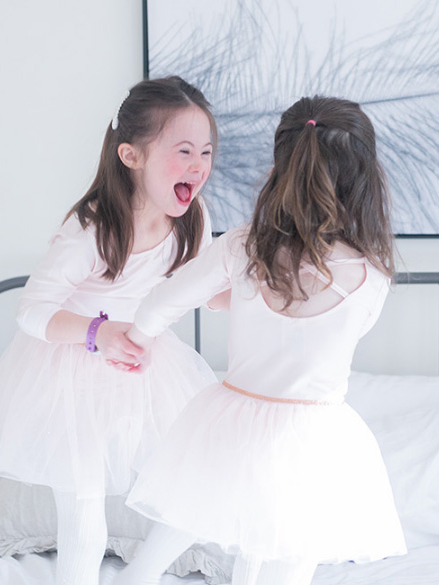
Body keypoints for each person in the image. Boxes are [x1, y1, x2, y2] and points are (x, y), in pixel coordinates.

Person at [113, 96, 407, 585]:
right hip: (313, 436)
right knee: (290, 551)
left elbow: (161, 302)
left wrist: (137, 339)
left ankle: (134, 577)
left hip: (233, 418)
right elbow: (315, 328)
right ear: (364, 178)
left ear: (281, 168)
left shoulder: (244, 247)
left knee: (185, 516)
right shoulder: (372, 277)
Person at [0, 75, 220, 585]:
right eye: (183, 151)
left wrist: (260, 289)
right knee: (85, 519)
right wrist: (99, 333)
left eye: (206, 150)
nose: (199, 166)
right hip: (74, 369)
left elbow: (200, 290)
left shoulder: (193, 216)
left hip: (150, 367)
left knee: (200, 483)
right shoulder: (93, 228)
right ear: (131, 156)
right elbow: (32, 309)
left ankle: (141, 576)